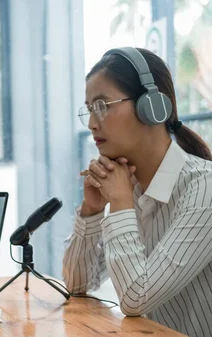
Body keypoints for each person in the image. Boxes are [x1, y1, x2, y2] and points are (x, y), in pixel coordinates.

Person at [62, 46, 212, 337]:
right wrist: (90, 211)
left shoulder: (204, 188)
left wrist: (119, 203)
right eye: (89, 110)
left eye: (103, 106)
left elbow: (136, 298)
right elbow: (76, 285)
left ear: (152, 106)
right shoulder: (129, 185)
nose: (93, 123)